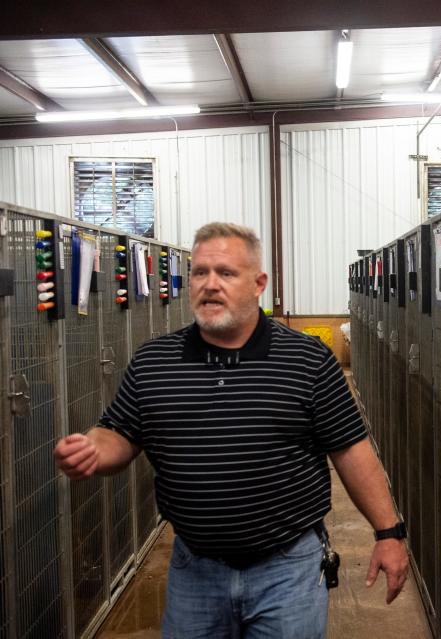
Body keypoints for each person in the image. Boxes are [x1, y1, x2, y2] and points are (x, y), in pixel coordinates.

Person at [53, 222, 409, 638]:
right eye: (200, 273)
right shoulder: (155, 361)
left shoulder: (306, 360)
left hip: (288, 568)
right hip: (195, 569)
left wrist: (388, 533)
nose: (210, 284)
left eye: (226, 273)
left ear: (258, 283)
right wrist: (92, 449)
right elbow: (120, 433)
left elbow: (351, 451)